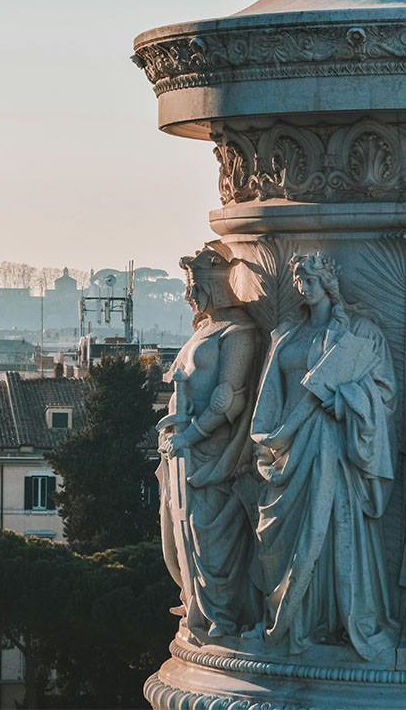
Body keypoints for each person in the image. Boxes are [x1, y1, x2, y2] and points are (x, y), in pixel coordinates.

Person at [248, 252, 397, 659]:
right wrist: (270, 441)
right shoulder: (286, 334)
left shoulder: (360, 333)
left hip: (333, 448)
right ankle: (292, 621)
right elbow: (269, 398)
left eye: (310, 280)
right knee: (287, 539)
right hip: (288, 450)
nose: (303, 287)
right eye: (298, 280)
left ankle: (329, 621)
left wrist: (344, 400)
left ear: (329, 284)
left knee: (332, 533)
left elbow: (384, 395)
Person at [158, 243, 263, 638]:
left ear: (215, 286)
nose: (190, 296)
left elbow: (226, 398)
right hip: (181, 450)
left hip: (210, 453)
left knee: (208, 536)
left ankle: (224, 616)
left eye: (196, 287)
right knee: (179, 533)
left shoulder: (241, 333)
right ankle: (197, 607)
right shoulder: (207, 329)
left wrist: (191, 434)